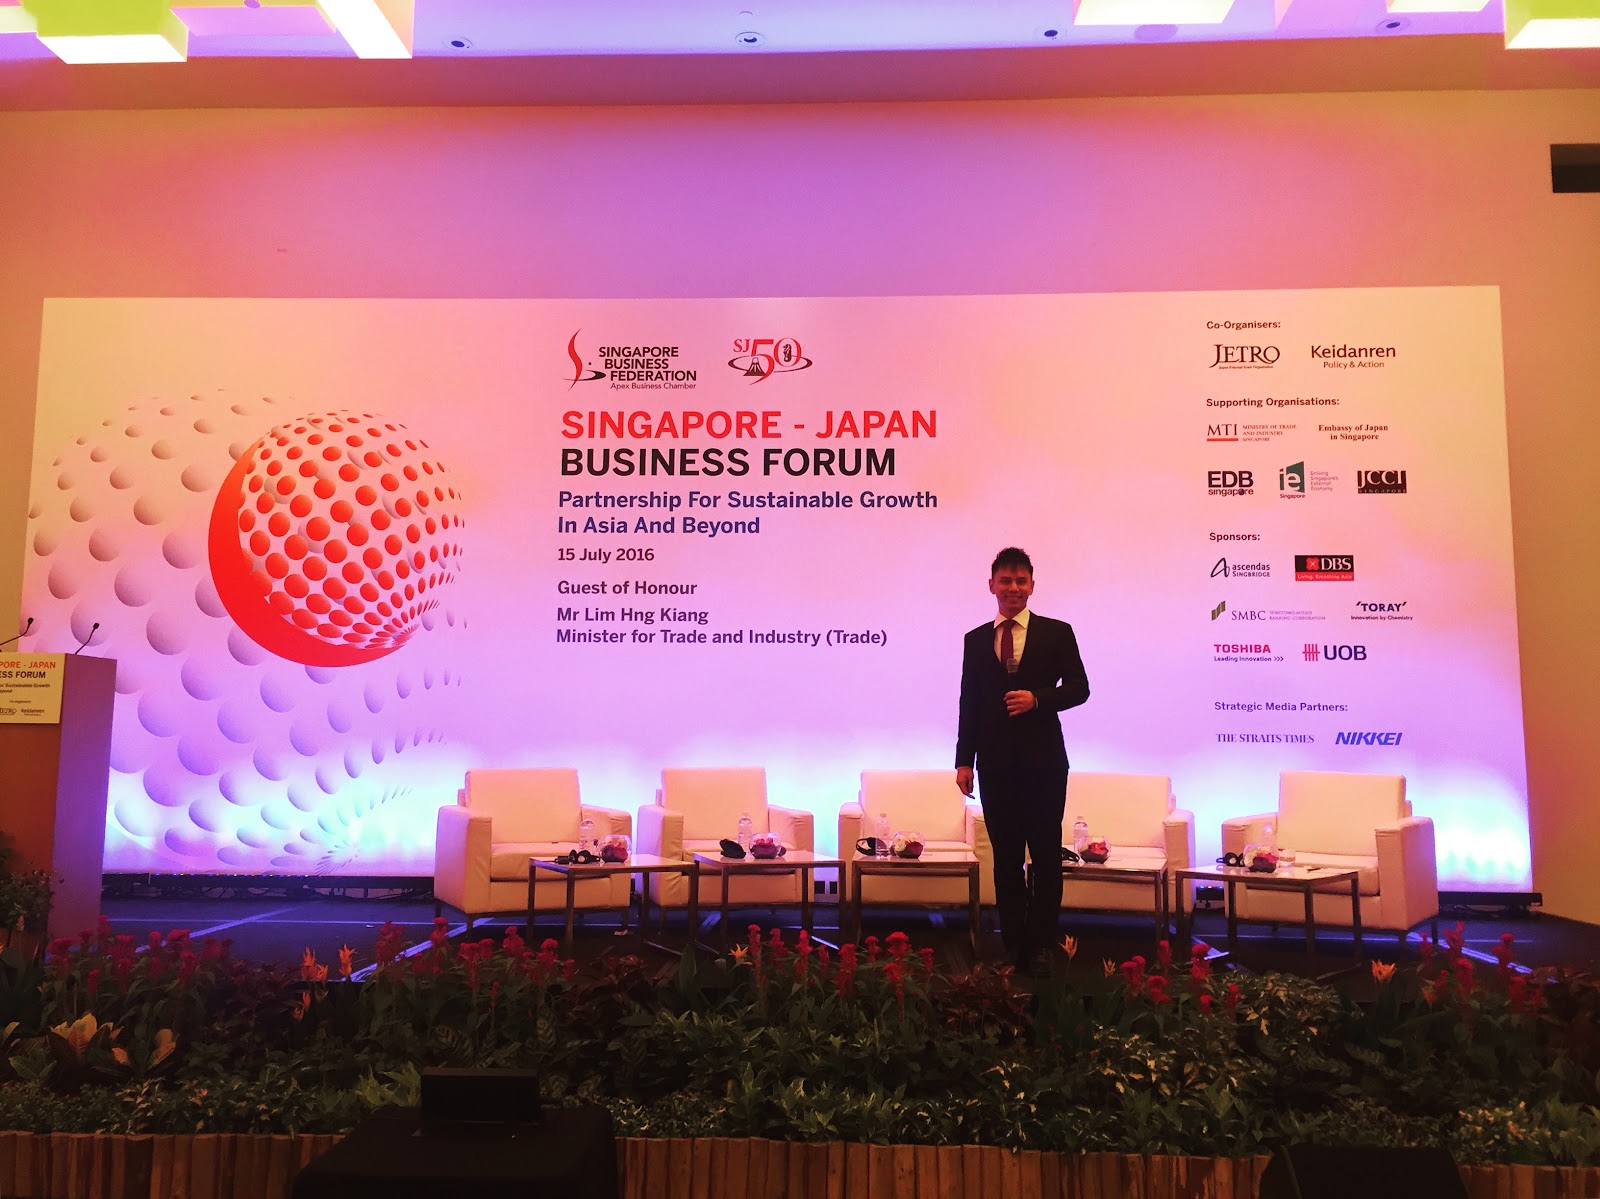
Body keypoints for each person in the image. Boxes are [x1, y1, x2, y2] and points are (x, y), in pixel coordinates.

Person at [955, 546, 1090, 978]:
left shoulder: (1057, 632)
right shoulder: (976, 639)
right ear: (991, 585)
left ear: (1032, 585)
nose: (1013, 588)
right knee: (1007, 859)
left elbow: (1079, 688)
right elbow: (970, 702)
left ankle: (1042, 944)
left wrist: (1038, 699)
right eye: (1005, 580)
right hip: (995, 765)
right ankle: (1014, 947)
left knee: (1046, 857)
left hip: (1044, 763)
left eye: (1021, 580)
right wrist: (964, 760)